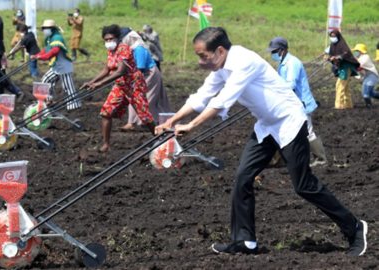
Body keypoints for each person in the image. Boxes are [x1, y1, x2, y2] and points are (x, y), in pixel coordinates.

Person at [155, 27, 367, 257]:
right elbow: (202, 95)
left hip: (289, 122)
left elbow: (223, 100)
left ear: (219, 50)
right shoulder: (221, 66)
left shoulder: (244, 61)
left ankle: (354, 228)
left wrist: (191, 125)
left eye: (203, 56)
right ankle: (245, 241)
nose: (201, 61)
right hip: (266, 126)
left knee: (303, 185)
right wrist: (173, 120)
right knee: (243, 178)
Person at [81, 24, 156, 152]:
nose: (109, 42)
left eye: (111, 39)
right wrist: (91, 81)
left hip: (134, 85)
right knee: (106, 112)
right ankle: (106, 145)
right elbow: (107, 68)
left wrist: (100, 84)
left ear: (117, 38)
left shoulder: (124, 49)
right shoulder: (111, 51)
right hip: (120, 86)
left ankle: (160, 139)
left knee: (144, 115)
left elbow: (120, 71)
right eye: (106, 40)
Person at [265, 37, 327, 167]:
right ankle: (280, 159)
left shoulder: (292, 63)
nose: (272, 54)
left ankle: (321, 160)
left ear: (282, 50)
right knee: (281, 129)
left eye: (274, 51)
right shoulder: (283, 63)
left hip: (301, 103)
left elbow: (290, 85)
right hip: (290, 103)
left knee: (308, 132)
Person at [119, 27, 172, 131]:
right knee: (140, 98)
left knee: (143, 98)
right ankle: (141, 121)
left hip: (149, 74)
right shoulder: (132, 49)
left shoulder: (139, 49)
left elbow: (140, 67)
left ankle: (136, 122)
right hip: (141, 74)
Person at [32, 19, 81, 110]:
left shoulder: (58, 38)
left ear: (52, 29)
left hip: (64, 66)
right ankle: (49, 100)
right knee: (46, 79)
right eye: (44, 28)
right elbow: (46, 50)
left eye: (47, 28)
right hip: (56, 66)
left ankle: (74, 106)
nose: (45, 30)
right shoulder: (49, 38)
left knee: (67, 86)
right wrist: (36, 56)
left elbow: (54, 51)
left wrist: (43, 57)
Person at [325, 30, 360, 109]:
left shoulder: (342, 45)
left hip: (346, 66)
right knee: (345, 86)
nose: (332, 38)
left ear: (338, 36)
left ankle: (339, 105)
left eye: (334, 36)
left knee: (339, 85)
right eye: (331, 36)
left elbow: (345, 54)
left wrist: (338, 57)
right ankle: (348, 105)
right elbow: (332, 54)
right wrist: (329, 57)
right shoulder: (333, 45)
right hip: (341, 67)